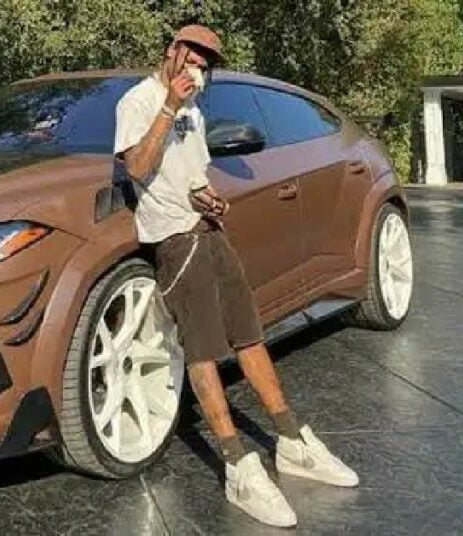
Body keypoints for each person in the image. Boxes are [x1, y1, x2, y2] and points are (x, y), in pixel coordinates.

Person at [113, 24, 359, 528]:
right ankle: (236, 463)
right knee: (203, 350)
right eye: (192, 55)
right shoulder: (137, 103)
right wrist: (168, 108)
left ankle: (291, 441)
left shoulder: (197, 112)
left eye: (206, 62)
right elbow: (136, 168)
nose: (197, 67)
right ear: (172, 50)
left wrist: (210, 197)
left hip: (208, 228)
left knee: (249, 334)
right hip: (175, 240)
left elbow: (192, 177)